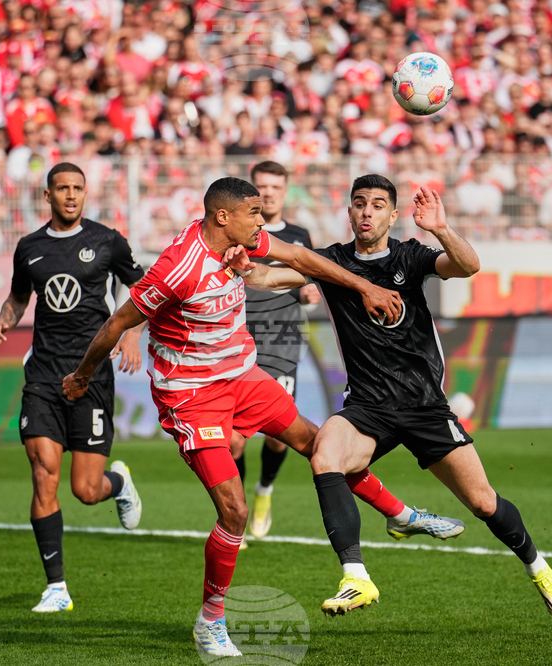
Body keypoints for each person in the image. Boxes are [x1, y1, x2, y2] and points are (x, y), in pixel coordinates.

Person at [62, 177, 463, 657]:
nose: (263, 219)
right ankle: (210, 621)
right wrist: (82, 377)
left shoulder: (243, 238)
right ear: (222, 217)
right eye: (254, 212)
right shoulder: (177, 271)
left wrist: (362, 286)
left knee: (323, 446)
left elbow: (300, 258)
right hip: (192, 396)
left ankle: (400, 516)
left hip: (243, 376)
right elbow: (117, 324)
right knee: (234, 510)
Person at [225, 177, 552, 622]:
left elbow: (467, 266)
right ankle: (356, 577)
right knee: (325, 455)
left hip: (424, 405)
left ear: (393, 215)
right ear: (349, 213)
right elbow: (268, 276)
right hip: (368, 407)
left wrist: (442, 229)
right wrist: (241, 265)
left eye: (377, 205)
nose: (366, 212)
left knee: (484, 503)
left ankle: (538, 568)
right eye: (359, 204)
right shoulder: (331, 262)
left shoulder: (410, 255)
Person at [0, 163, 145, 613]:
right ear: (48, 194)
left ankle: (119, 483)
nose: (71, 195)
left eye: (78, 188)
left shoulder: (107, 240)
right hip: (42, 377)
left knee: (85, 489)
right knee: (43, 474)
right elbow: (20, 296)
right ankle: (56, 588)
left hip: (91, 376)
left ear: (85, 193)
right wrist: (4, 320)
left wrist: (132, 334)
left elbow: (141, 288)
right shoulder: (30, 248)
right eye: (63, 188)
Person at [232, 161, 321, 543]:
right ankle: (235, 506)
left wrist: (309, 292)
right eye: (262, 187)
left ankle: (264, 490)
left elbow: (310, 280)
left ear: (285, 192)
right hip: (236, 343)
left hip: (281, 342)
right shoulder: (236, 231)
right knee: (234, 440)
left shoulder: (299, 236)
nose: (268, 193)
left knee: (277, 434)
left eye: (275, 187)